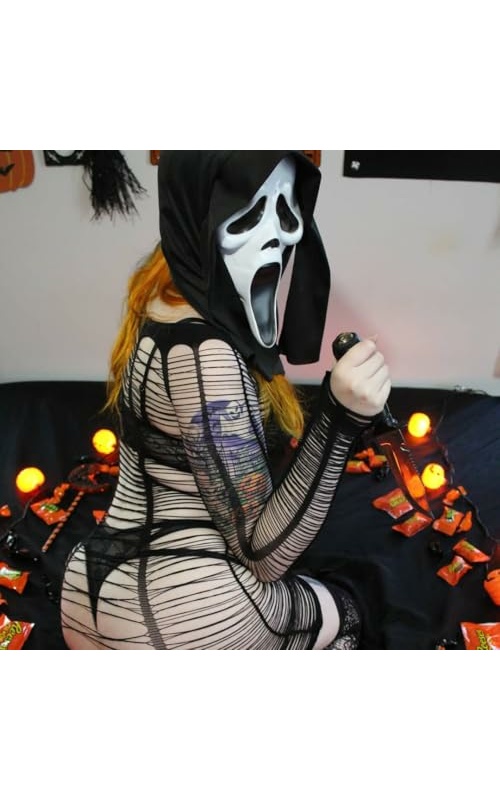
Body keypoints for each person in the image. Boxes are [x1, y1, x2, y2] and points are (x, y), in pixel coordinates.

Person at [60, 151, 391, 649]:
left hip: (88, 601)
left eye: (286, 211)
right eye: (247, 215)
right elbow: (263, 554)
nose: (275, 237)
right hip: (185, 620)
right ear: (203, 214)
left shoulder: (159, 294)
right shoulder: (207, 353)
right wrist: (339, 419)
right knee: (350, 607)